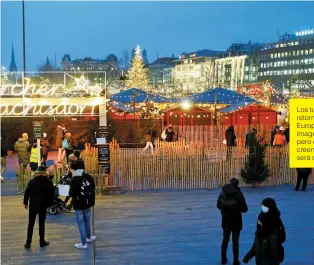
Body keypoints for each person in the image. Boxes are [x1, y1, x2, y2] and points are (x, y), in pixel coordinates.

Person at [243, 198, 286, 265]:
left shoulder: (276, 225)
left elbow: (281, 240)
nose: (263, 208)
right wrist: (248, 256)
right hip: (261, 260)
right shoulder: (261, 222)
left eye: (265, 206)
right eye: (262, 206)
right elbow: (256, 244)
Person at [217, 178, 248, 265]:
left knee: (225, 239)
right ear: (237, 184)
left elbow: (218, 206)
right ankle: (235, 260)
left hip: (225, 220)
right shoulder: (239, 194)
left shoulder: (223, 193)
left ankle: (223, 259)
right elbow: (245, 209)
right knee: (235, 241)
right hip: (236, 221)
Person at [24, 166, 55, 249]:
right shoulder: (49, 182)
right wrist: (49, 204)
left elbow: (27, 192)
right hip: (43, 205)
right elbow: (51, 195)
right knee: (41, 224)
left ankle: (28, 242)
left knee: (31, 223)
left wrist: (25, 203)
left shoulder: (32, 181)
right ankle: (42, 241)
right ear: (45, 172)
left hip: (33, 205)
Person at [69, 159, 96, 249]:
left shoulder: (75, 178)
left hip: (78, 203)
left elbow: (71, 193)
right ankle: (88, 238)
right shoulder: (88, 176)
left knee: (80, 222)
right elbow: (93, 187)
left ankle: (83, 243)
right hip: (88, 202)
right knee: (87, 220)